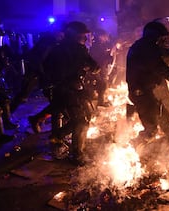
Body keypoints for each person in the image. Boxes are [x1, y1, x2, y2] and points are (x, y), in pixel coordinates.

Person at [43, 21, 100, 165]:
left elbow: (94, 66)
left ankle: (57, 136)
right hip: (67, 91)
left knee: (82, 118)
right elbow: (94, 67)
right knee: (81, 122)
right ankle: (77, 155)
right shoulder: (72, 50)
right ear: (74, 35)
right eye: (82, 35)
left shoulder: (62, 50)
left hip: (71, 90)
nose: (85, 39)